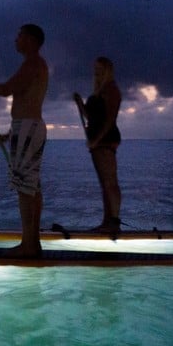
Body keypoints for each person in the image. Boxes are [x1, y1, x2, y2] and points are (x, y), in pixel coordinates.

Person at [0, 23, 49, 256]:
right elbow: (27, 102)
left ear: (31, 40)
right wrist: (10, 134)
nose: (16, 40)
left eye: (20, 36)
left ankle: (28, 245)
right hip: (27, 128)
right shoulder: (36, 64)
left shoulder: (33, 63)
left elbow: (6, 90)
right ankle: (33, 243)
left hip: (28, 128)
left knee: (25, 187)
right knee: (32, 187)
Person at [73, 56, 122, 233]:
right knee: (104, 183)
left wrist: (96, 140)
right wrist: (80, 104)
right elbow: (90, 117)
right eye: (95, 69)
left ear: (107, 70)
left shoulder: (111, 90)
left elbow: (110, 120)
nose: (96, 72)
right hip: (96, 141)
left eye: (100, 68)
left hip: (106, 140)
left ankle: (114, 222)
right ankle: (106, 221)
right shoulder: (97, 91)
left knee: (110, 181)